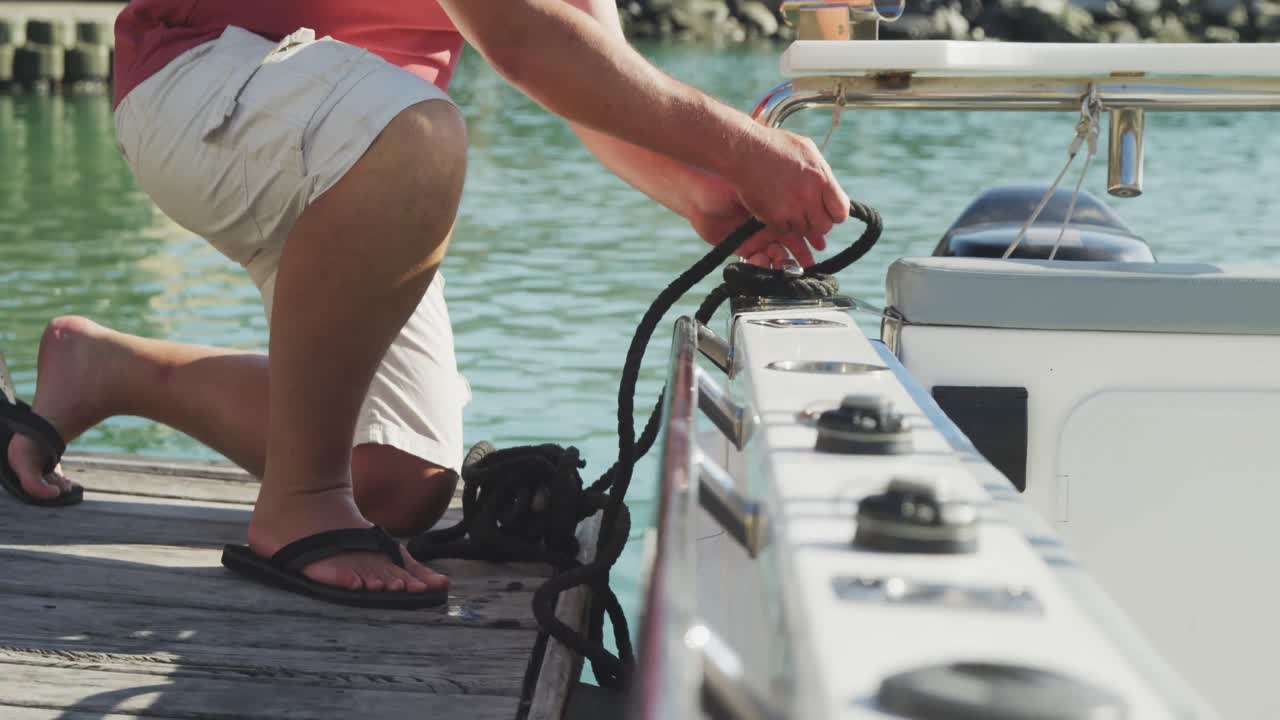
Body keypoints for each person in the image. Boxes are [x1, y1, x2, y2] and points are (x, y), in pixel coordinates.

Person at [0, 0, 850, 608]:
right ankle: (295, 506)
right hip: (207, 81)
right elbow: (518, 37)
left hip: (357, 144)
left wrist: (702, 192)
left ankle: (104, 369)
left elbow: (588, 60)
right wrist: (747, 147)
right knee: (423, 130)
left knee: (398, 474)